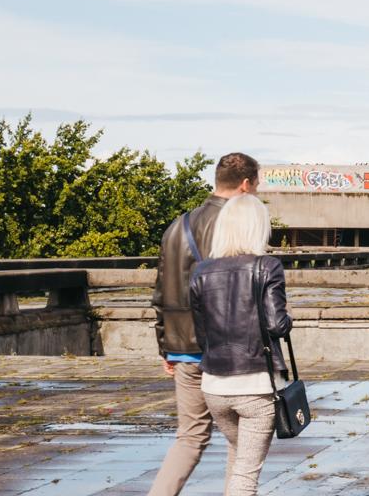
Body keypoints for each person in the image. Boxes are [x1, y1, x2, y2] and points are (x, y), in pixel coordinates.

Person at [148, 152, 259, 496]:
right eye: (256, 184)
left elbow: (160, 289)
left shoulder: (177, 226)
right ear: (245, 184)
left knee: (190, 436)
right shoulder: (236, 227)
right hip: (224, 350)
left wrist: (165, 345)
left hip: (183, 349)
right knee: (240, 439)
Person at [189, 194, 292, 496]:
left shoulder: (200, 271)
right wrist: (289, 319)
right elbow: (276, 325)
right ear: (257, 227)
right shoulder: (268, 266)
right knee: (246, 475)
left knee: (238, 458)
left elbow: (201, 334)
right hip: (256, 385)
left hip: (214, 386)